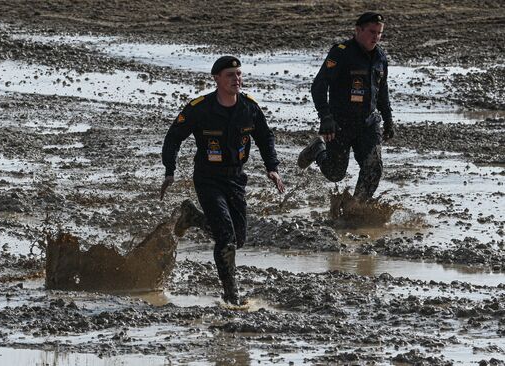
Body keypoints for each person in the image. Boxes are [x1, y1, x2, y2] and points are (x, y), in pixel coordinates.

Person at [160, 56, 285, 305]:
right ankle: (231, 295)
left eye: (238, 74)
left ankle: (193, 217)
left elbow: (265, 137)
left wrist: (272, 168)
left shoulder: (249, 107)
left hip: (236, 177)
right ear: (216, 79)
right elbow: (174, 137)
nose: (236, 79)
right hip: (208, 179)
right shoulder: (199, 108)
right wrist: (169, 170)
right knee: (226, 237)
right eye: (230, 75)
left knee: (238, 239)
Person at [298, 12, 394, 201]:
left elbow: (382, 91)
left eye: (379, 33)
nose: (376, 37)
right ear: (358, 30)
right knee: (335, 174)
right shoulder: (341, 52)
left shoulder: (380, 57)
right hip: (340, 123)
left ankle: (355, 209)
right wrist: (326, 117)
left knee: (373, 168)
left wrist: (388, 119)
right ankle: (318, 149)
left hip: (368, 122)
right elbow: (319, 85)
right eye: (372, 32)